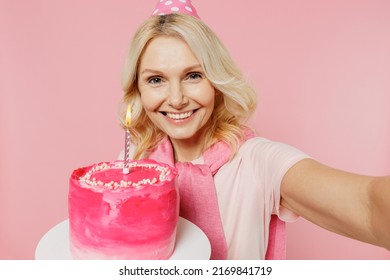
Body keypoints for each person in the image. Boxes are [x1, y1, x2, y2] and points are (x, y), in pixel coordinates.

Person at [119, 0, 390, 259]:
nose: (176, 99)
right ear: (138, 89)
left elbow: (367, 205)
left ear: (215, 81)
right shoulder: (134, 162)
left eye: (194, 76)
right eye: (156, 79)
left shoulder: (258, 162)